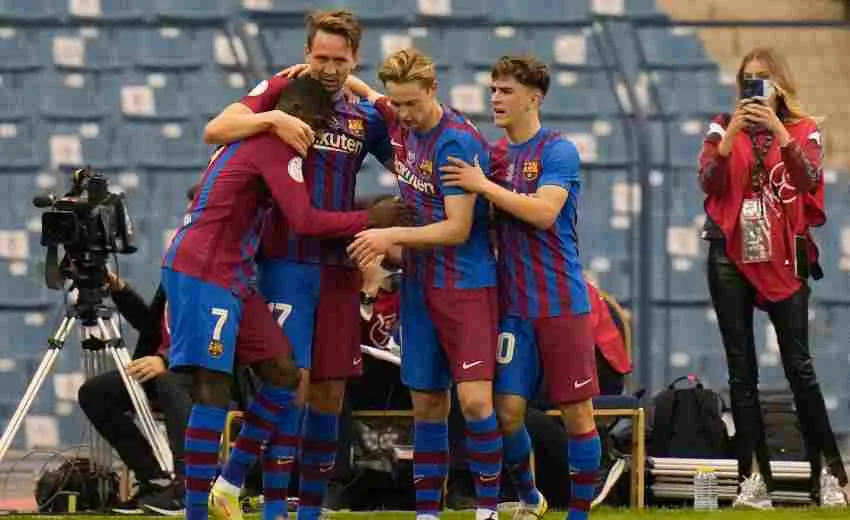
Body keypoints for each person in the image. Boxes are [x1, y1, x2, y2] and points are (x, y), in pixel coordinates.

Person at [161, 77, 401, 520]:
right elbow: (305, 220)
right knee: (213, 387)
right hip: (203, 269)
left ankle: (230, 480)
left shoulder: (255, 135)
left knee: (283, 374)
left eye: (314, 123)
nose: (307, 132)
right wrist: (370, 218)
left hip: (235, 274)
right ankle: (199, 509)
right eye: (304, 121)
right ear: (290, 115)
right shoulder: (275, 145)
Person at [439, 55, 601, 520]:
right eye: (492, 89)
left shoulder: (558, 151)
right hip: (513, 309)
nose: (496, 98)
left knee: (578, 415)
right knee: (506, 413)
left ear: (535, 97)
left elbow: (544, 212)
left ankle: (580, 514)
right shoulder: (492, 157)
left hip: (560, 303)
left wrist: (482, 187)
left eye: (506, 91)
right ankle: (531, 498)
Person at [344, 48, 502, 520]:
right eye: (399, 104)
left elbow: (457, 227)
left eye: (412, 103)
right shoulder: (398, 117)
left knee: (474, 402)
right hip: (419, 285)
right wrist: (328, 75)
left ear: (432, 91)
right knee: (427, 402)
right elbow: (369, 94)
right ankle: (427, 513)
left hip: (466, 284)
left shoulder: (456, 142)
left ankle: (488, 509)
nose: (405, 114)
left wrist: (388, 233)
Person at [697, 47, 847, 508]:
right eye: (748, 79)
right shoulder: (723, 125)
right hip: (731, 251)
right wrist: (729, 141)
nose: (755, 87)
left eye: (763, 79)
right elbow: (708, 181)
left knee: (799, 367)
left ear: (780, 84)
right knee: (741, 372)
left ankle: (826, 477)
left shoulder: (804, 131)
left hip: (786, 254)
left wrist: (780, 132)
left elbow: (806, 179)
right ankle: (753, 478)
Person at [77, 271, 188, 516]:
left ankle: (187, 488)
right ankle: (154, 481)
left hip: (201, 374)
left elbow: (217, 330)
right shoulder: (175, 271)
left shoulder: (216, 274)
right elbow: (150, 324)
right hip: (163, 372)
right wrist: (119, 289)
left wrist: (166, 359)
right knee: (95, 393)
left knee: (169, 382)